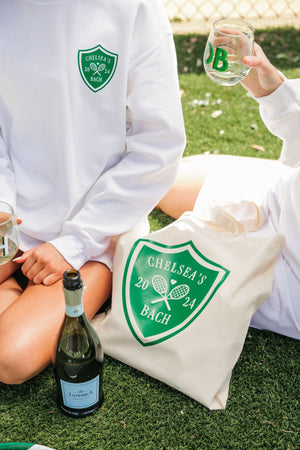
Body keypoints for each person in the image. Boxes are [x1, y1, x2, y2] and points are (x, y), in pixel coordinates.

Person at [0, 0, 186, 384]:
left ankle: (27, 299)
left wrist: (76, 242)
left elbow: (159, 147)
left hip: (95, 237)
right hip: (13, 223)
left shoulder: (134, 9)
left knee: (10, 360)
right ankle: (17, 292)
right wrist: (2, 203)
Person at [157, 42, 300, 340]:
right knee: (168, 179)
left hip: (288, 275)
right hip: (284, 195)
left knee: (152, 263)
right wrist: (270, 88)